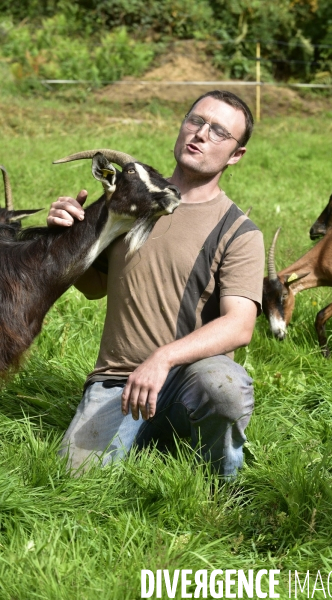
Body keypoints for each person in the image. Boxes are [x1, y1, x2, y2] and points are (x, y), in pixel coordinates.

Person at [47, 90, 265, 478]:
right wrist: (67, 238)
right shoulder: (131, 201)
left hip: (189, 384)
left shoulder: (239, 232)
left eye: (218, 132)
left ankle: (222, 481)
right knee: (72, 484)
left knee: (226, 386)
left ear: (236, 155)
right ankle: (142, 437)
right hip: (119, 383)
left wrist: (162, 358)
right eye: (195, 121)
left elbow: (240, 325)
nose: (200, 134)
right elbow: (94, 288)